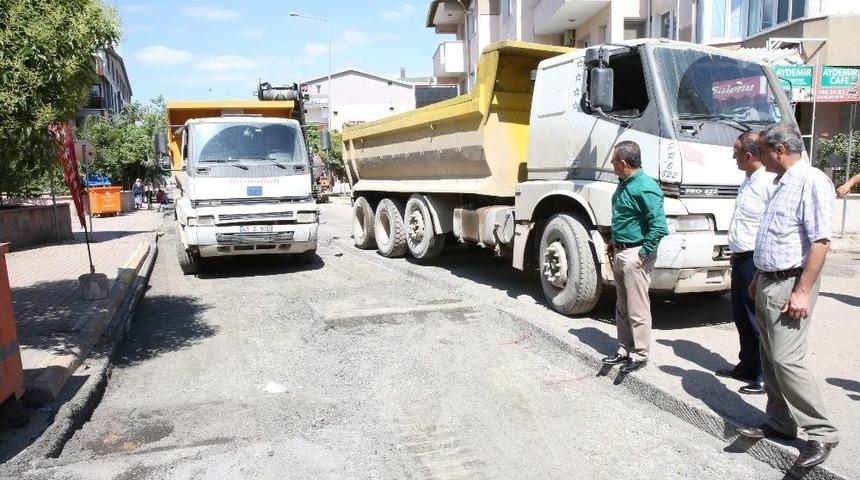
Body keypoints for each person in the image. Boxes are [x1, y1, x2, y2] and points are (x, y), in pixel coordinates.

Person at [735, 123, 839, 469]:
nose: (759, 157)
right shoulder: (781, 183)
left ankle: (821, 432)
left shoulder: (811, 181)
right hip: (769, 280)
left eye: (763, 151)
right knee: (769, 356)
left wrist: (803, 290)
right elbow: (780, 236)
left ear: (779, 150)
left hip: (792, 283)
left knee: (786, 359)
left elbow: (821, 242)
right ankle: (780, 421)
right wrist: (760, 277)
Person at [715, 132, 775, 395]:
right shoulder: (747, 180)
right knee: (740, 315)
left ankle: (764, 374)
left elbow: (768, 227)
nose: (733, 157)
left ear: (749, 156)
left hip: (756, 260)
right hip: (740, 258)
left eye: (736, 153)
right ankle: (747, 365)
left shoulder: (768, 183)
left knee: (756, 319)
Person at [601, 141, 669, 373]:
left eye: (613, 161)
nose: (611, 165)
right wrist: (614, 242)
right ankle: (624, 348)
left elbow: (659, 226)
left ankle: (639, 354)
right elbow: (626, 217)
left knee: (637, 307)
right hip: (621, 250)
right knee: (622, 305)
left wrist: (641, 254)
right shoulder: (625, 184)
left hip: (634, 254)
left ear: (622, 162)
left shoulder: (645, 187)